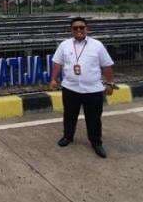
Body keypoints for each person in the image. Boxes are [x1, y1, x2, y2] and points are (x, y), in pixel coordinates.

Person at [49, 17, 115, 158]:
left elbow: (107, 65)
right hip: (70, 88)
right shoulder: (65, 45)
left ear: (87, 28)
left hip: (93, 90)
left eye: (81, 27)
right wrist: (53, 79)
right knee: (69, 115)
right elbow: (57, 64)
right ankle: (68, 137)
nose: (79, 30)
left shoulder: (97, 45)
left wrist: (110, 83)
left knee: (94, 118)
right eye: (75, 28)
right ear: (71, 30)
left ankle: (96, 142)